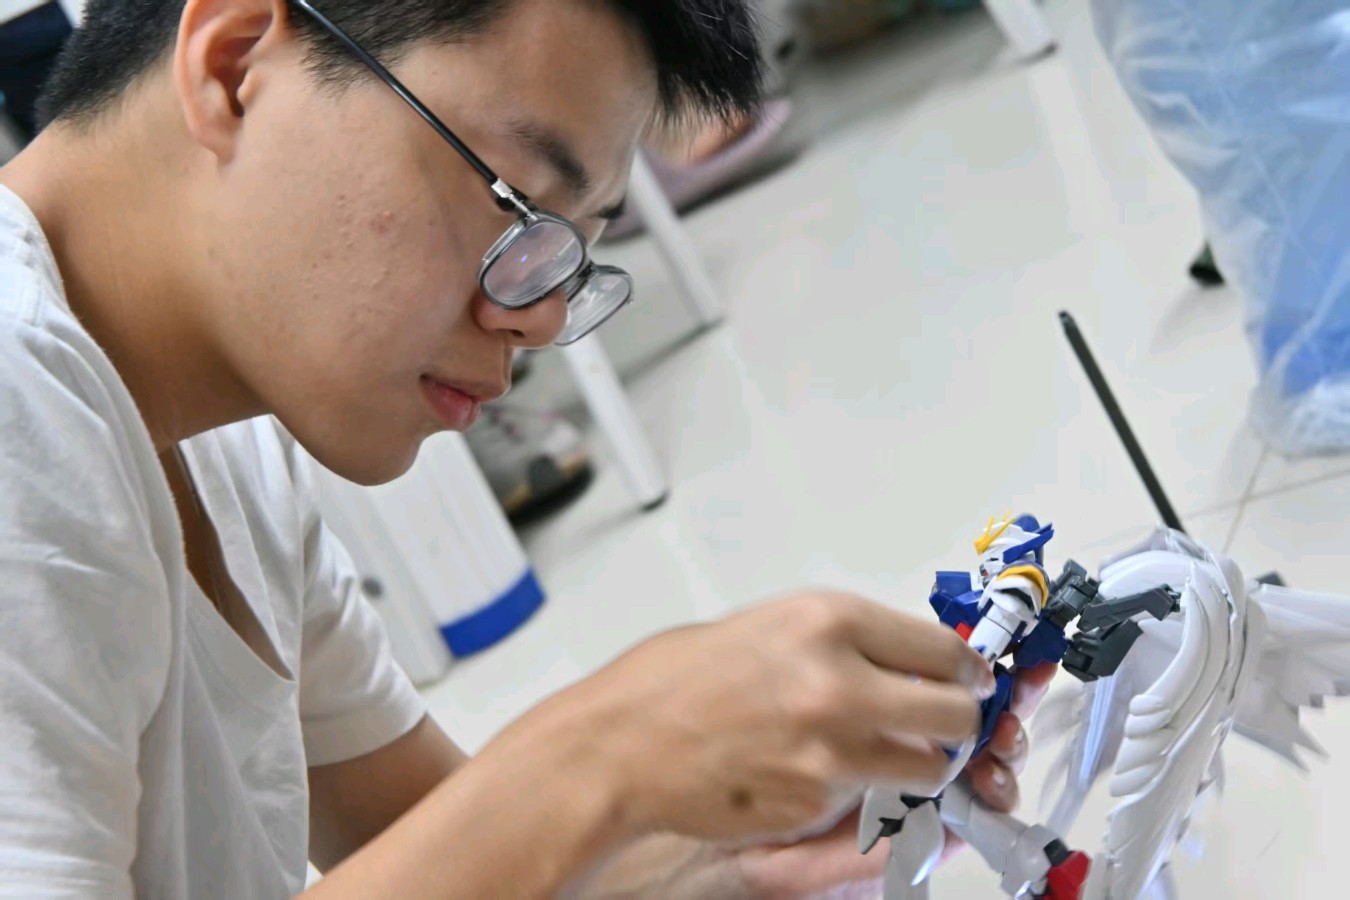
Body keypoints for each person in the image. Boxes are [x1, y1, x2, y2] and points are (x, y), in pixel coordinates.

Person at [0, 0, 1051, 896]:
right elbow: (517, 824)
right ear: (235, 68)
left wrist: (735, 845)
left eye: (575, 253)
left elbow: (431, 841)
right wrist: (606, 755)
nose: (541, 318)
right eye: (517, 208)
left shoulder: (227, 448)